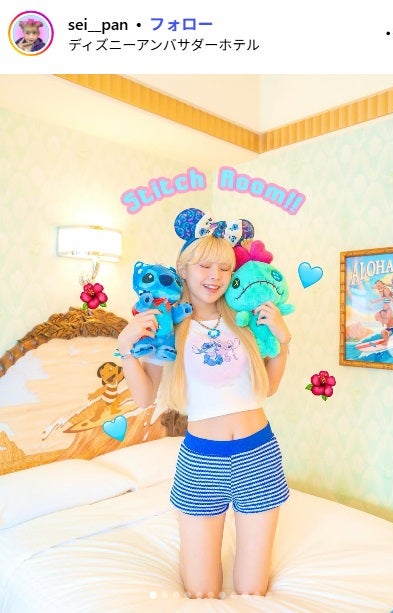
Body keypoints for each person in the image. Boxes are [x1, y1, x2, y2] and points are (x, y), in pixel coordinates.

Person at [116, 209, 292, 599]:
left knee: (252, 590)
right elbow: (144, 398)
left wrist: (283, 342)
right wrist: (126, 348)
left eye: (225, 268)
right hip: (201, 461)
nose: (215, 276)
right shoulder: (168, 325)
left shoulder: (244, 320)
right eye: (205, 266)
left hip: (258, 454)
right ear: (183, 269)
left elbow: (270, 387)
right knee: (201, 592)